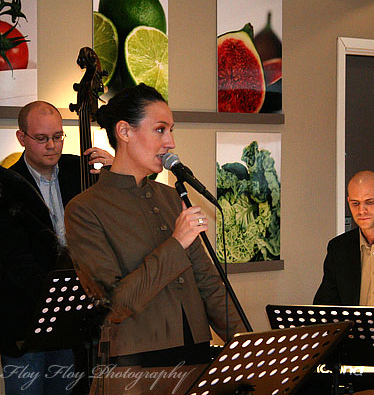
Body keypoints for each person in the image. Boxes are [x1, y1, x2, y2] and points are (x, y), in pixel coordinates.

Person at [64, 83, 246, 394]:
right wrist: (176, 243)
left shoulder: (172, 197)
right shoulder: (84, 209)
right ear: (124, 131)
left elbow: (209, 283)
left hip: (198, 359)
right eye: (160, 130)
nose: (170, 142)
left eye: (171, 130)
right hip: (134, 370)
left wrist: (247, 348)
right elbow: (115, 303)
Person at [0, 100, 113, 395]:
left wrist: (118, 170)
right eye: (41, 138)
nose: (51, 145)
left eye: (58, 136)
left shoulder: (81, 171)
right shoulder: (8, 185)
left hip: (72, 324)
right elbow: (13, 259)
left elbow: (126, 206)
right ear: (21, 138)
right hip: (25, 324)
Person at [313, 170, 374, 393]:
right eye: (355, 203)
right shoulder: (338, 248)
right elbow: (324, 305)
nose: (361, 210)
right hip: (351, 354)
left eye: (369, 202)